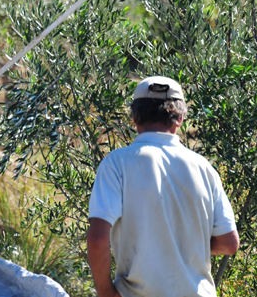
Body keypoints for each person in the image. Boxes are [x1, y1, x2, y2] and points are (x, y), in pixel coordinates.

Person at [87, 76, 239, 297]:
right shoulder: (205, 169)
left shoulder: (117, 163)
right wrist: (182, 245)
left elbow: (98, 238)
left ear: (134, 116)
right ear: (180, 118)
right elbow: (229, 243)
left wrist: (105, 292)